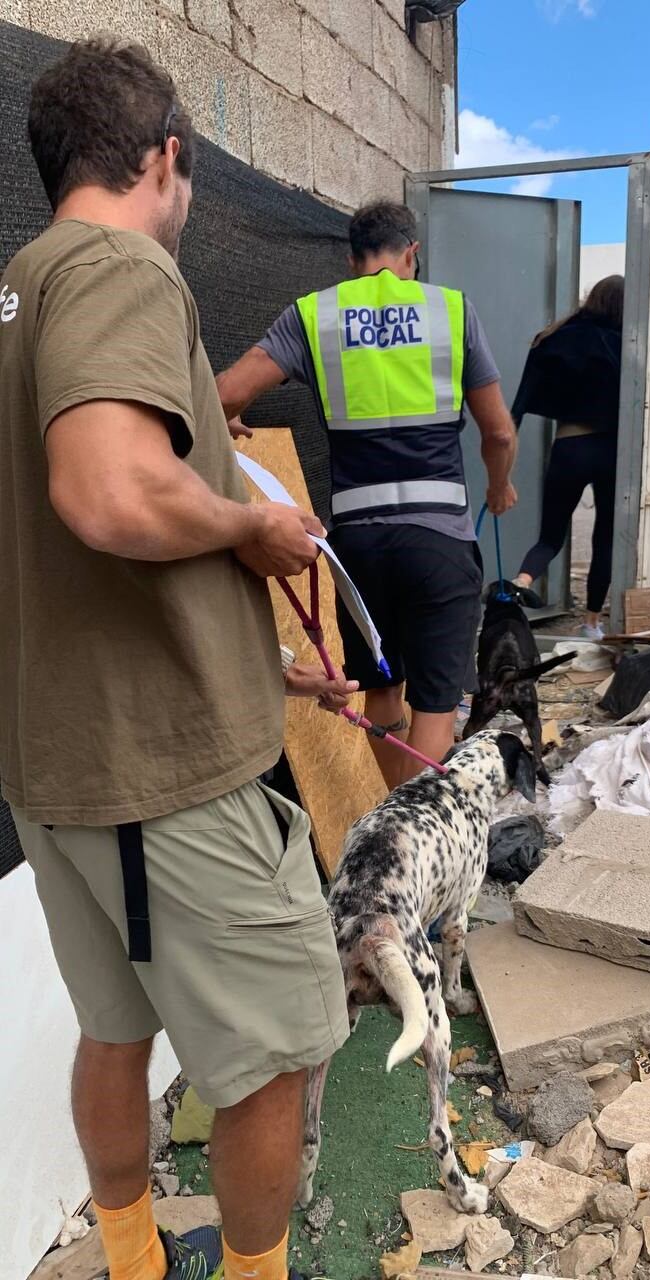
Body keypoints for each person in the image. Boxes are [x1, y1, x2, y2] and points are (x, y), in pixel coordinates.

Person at [0, 37, 355, 1280]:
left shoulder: (18, 288)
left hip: (58, 765)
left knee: (114, 1026)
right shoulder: (121, 268)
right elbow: (105, 492)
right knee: (281, 1048)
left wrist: (268, 669)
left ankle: (134, 1257)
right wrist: (252, 524)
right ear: (167, 158)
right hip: (165, 774)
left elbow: (69, 551)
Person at [217, 202, 518, 790]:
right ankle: (416, 834)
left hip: (357, 547)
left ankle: (391, 812)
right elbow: (500, 432)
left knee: (381, 685)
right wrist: (501, 485)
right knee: (435, 699)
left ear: (353, 260)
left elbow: (224, 391)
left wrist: (229, 416)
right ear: (412, 253)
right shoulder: (451, 311)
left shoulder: (314, 316)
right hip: (440, 542)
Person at [509, 275, 624, 641]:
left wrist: (504, 455)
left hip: (570, 447)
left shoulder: (556, 337)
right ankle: (591, 623)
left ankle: (519, 582)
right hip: (611, 451)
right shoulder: (627, 343)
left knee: (550, 537)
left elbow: (522, 401)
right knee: (604, 538)